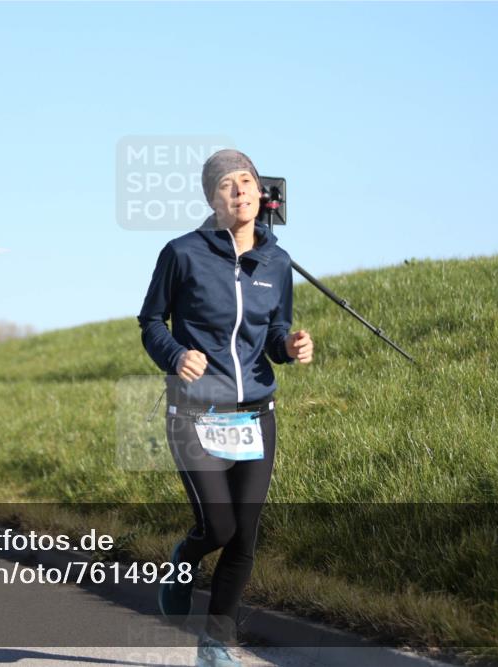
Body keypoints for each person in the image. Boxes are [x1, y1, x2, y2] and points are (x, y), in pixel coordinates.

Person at [138, 150, 313, 667]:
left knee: (245, 535)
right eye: (225, 186)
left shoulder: (277, 262)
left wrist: (291, 346)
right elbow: (151, 321)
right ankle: (184, 560)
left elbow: (274, 331)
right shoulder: (181, 253)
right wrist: (176, 355)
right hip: (196, 412)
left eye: (246, 182)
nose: (238, 191)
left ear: (263, 195)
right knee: (218, 528)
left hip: (256, 412)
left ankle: (214, 644)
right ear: (211, 201)